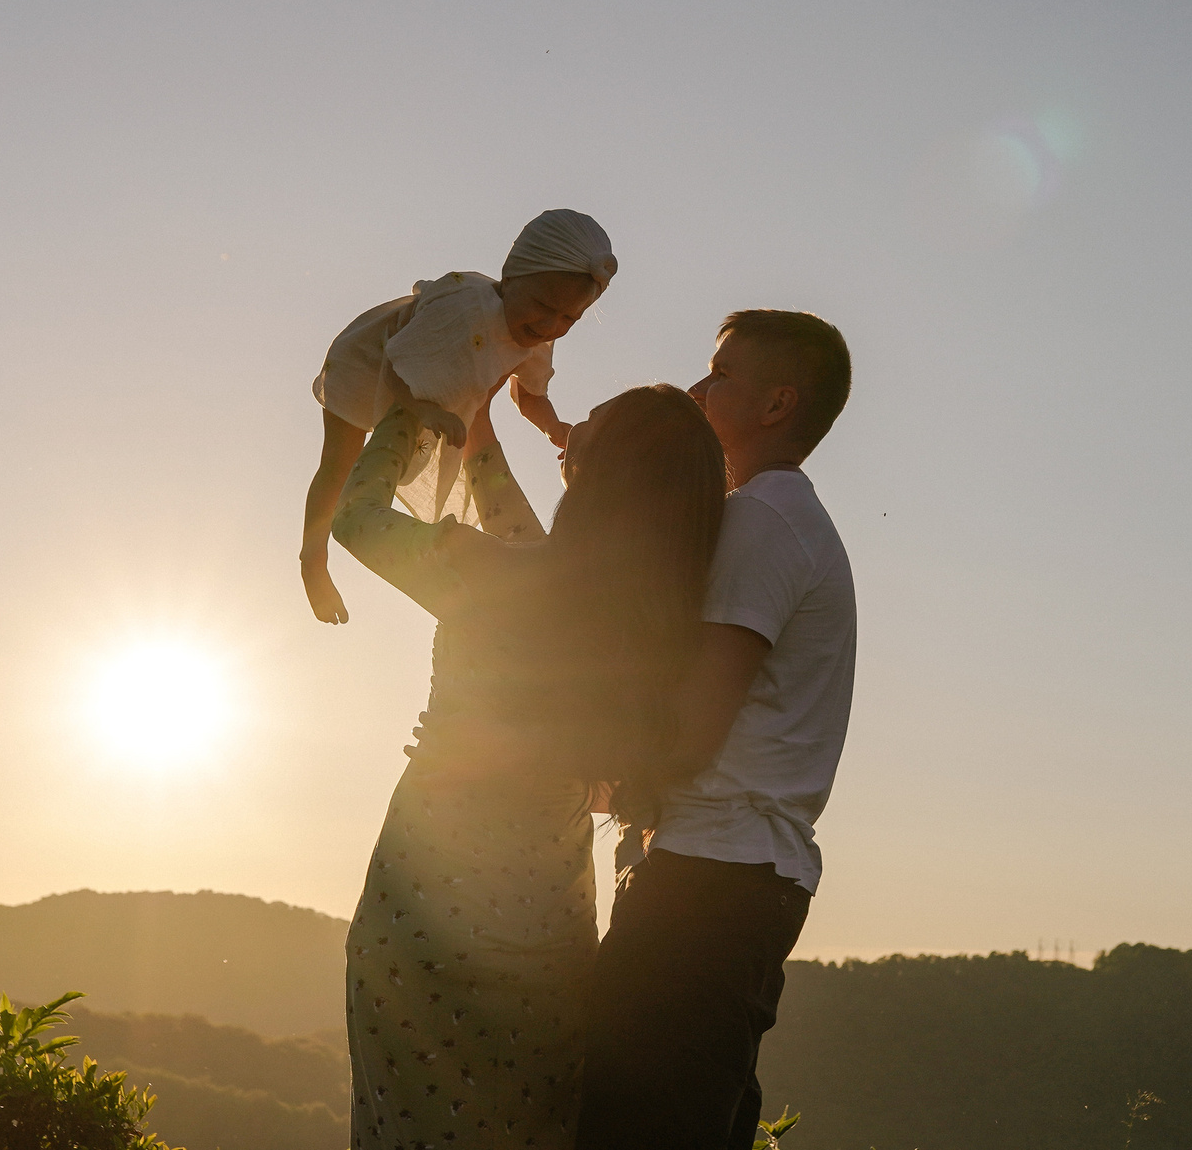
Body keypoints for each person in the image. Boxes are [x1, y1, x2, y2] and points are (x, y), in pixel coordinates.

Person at [331, 382, 728, 1149]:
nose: (572, 425)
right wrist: (477, 430)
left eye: (592, 423)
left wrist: (416, 402)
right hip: (547, 927)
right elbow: (525, 530)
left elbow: (356, 520)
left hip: (425, 913)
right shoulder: (640, 612)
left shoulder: (487, 571)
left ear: (602, 469)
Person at [577, 309, 857, 1150]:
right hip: (732, 873)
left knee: (633, 1126)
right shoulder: (775, 515)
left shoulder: (764, 520)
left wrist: (548, 769)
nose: (700, 387)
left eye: (720, 374)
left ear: (778, 404)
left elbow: (696, 727)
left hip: (712, 880)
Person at [302, 208, 618, 625]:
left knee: (467, 433)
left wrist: (552, 427)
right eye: (543, 305)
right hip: (374, 362)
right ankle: (313, 559)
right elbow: (397, 368)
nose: (549, 324)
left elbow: (528, 394)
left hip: (447, 380)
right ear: (509, 278)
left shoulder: (538, 336)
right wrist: (425, 409)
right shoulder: (462, 308)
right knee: (340, 462)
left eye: (569, 318)